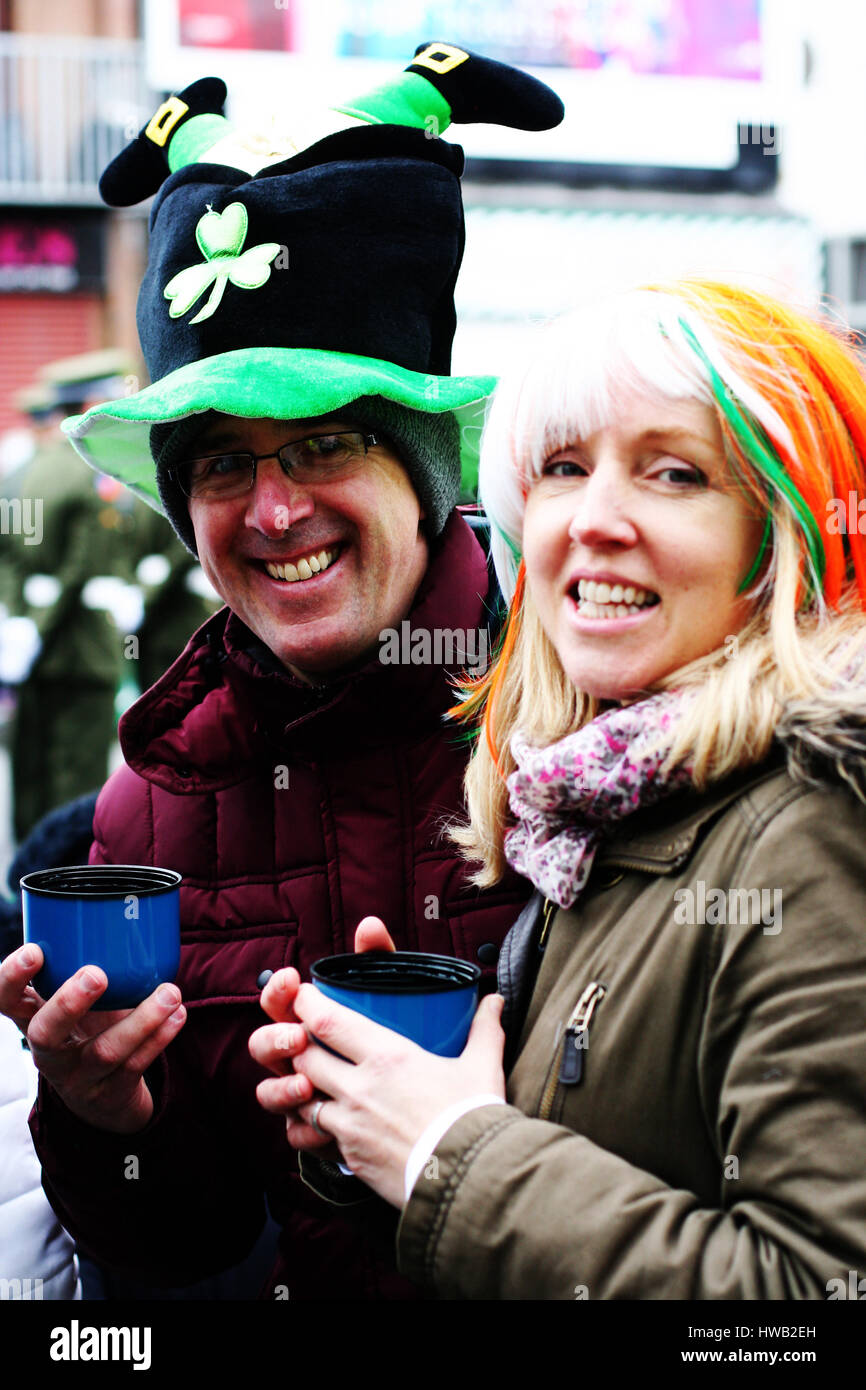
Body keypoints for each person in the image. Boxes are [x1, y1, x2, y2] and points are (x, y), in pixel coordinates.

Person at [0, 45, 564, 1299]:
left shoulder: (592, 722)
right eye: (218, 465)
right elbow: (180, 1255)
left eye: (323, 443)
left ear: (424, 472)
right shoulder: (147, 810)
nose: (271, 510)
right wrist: (106, 1118)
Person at [252, 279, 866, 1299]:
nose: (594, 520)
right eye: (562, 469)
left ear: (776, 535)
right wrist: (377, 1116)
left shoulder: (812, 824)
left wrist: (446, 1150)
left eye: (672, 473)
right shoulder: (604, 802)